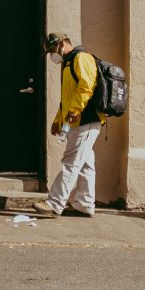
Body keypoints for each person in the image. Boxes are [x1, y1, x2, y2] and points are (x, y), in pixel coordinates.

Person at [33, 32, 101, 219]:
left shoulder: (82, 58)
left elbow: (87, 87)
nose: (52, 55)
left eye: (53, 50)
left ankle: (54, 203)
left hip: (86, 120)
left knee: (71, 162)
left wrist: (75, 111)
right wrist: (58, 121)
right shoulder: (68, 63)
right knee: (85, 164)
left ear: (62, 44)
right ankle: (84, 204)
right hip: (77, 120)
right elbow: (67, 99)